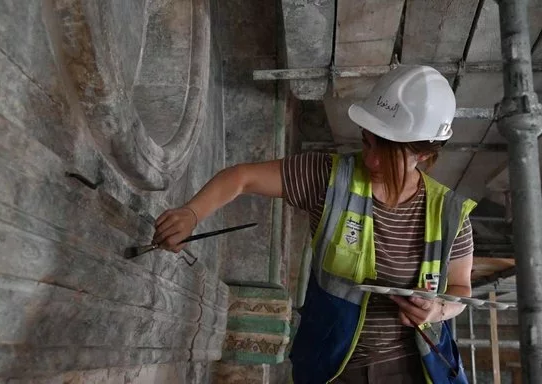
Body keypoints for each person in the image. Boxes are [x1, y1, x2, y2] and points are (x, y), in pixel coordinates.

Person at [152, 65, 475, 384]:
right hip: (333, 366)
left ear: (423, 154)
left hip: (415, 367)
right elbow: (242, 177)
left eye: (388, 152)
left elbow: (461, 289)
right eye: (368, 142)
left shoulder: (450, 214)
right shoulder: (328, 178)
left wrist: (437, 310)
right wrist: (191, 214)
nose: (372, 160)